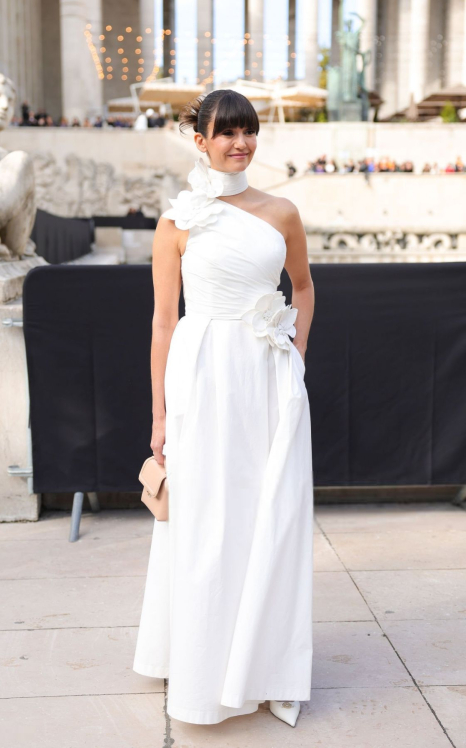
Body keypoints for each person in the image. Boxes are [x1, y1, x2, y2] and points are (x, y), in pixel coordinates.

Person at [132, 89, 315, 728]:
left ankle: (264, 663)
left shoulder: (283, 211)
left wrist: (294, 354)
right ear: (200, 140)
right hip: (204, 378)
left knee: (273, 514)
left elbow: (305, 285)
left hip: (268, 377)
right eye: (226, 133)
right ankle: (204, 665)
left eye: (249, 132)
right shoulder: (177, 222)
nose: (240, 143)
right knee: (208, 520)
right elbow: (161, 323)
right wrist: (158, 417)